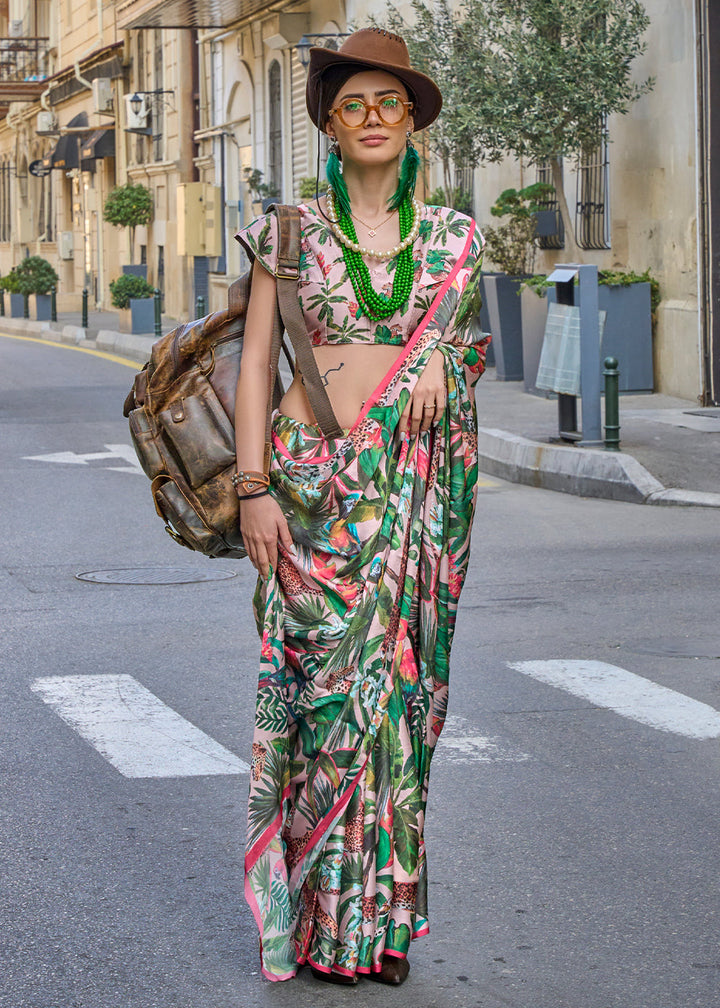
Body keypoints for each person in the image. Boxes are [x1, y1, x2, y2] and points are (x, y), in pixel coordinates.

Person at [233, 27, 489, 986]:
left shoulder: (456, 238)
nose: (375, 118)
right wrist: (253, 487)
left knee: (395, 712)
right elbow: (256, 364)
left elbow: (470, 352)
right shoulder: (288, 231)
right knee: (324, 704)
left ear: (414, 121)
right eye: (355, 105)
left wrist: (438, 362)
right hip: (312, 493)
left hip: (418, 495)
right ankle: (311, 922)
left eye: (391, 103)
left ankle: (374, 926)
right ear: (330, 128)